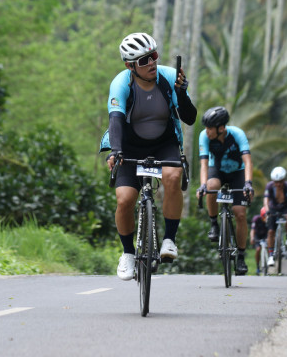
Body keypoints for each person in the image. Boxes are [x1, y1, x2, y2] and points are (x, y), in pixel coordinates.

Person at [100, 32, 197, 281]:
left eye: (153, 55)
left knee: (173, 176)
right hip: (130, 146)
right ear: (130, 66)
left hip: (164, 143)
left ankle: (169, 240)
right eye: (144, 61)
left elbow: (190, 118)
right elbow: (116, 120)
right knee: (125, 199)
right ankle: (128, 253)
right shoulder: (121, 84)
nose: (152, 63)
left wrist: (182, 93)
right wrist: (116, 151)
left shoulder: (168, 77)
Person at [196, 106, 254, 275]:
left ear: (221, 128)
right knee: (211, 186)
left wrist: (248, 183)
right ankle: (214, 223)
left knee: (240, 213)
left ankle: (241, 257)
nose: (207, 131)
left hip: (237, 172)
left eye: (210, 128)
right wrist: (202, 185)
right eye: (206, 128)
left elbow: (248, 161)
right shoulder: (204, 136)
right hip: (217, 170)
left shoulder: (237, 134)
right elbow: (204, 164)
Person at [263, 166, 287, 267]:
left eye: (280, 182)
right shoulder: (269, 186)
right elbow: (266, 200)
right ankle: (270, 256)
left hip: (285, 207)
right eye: (276, 182)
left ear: (284, 180)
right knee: (270, 232)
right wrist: (267, 211)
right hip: (273, 208)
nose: (278, 184)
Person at [250, 207, 268, 275]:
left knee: (269, 246)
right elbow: (252, 230)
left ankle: (269, 261)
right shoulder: (256, 219)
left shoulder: (269, 220)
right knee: (258, 249)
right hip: (257, 235)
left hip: (265, 235)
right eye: (264, 216)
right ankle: (258, 266)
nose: (265, 218)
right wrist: (252, 238)